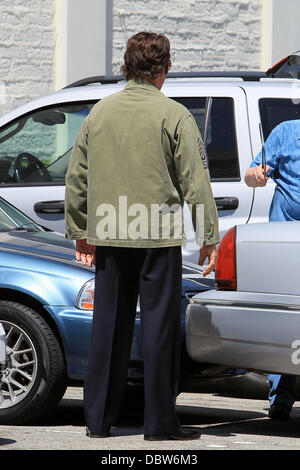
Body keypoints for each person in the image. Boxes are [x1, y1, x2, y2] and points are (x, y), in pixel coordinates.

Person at [65, 32, 219, 441]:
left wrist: (81, 231)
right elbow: (196, 181)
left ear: (126, 67)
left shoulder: (99, 113)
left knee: (107, 328)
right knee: (159, 330)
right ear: (163, 69)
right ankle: (159, 424)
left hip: (111, 235)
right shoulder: (175, 115)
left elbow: (77, 176)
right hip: (157, 237)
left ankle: (98, 422)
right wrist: (208, 236)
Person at [244, 119, 300, 420]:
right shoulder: (286, 133)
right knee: (288, 320)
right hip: (286, 244)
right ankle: (281, 397)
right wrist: (256, 175)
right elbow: (251, 175)